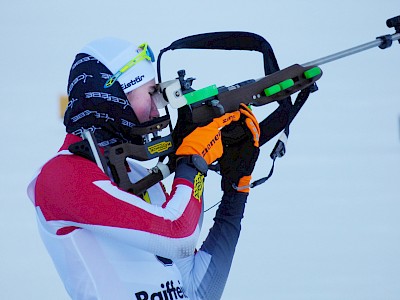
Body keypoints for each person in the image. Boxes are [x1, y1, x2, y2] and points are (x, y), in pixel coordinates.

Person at [27, 37, 260, 300]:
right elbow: (178, 233)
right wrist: (194, 159)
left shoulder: (137, 175)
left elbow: (198, 292)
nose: (155, 112)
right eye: (150, 94)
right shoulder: (61, 176)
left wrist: (236, 189)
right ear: (111, 96)